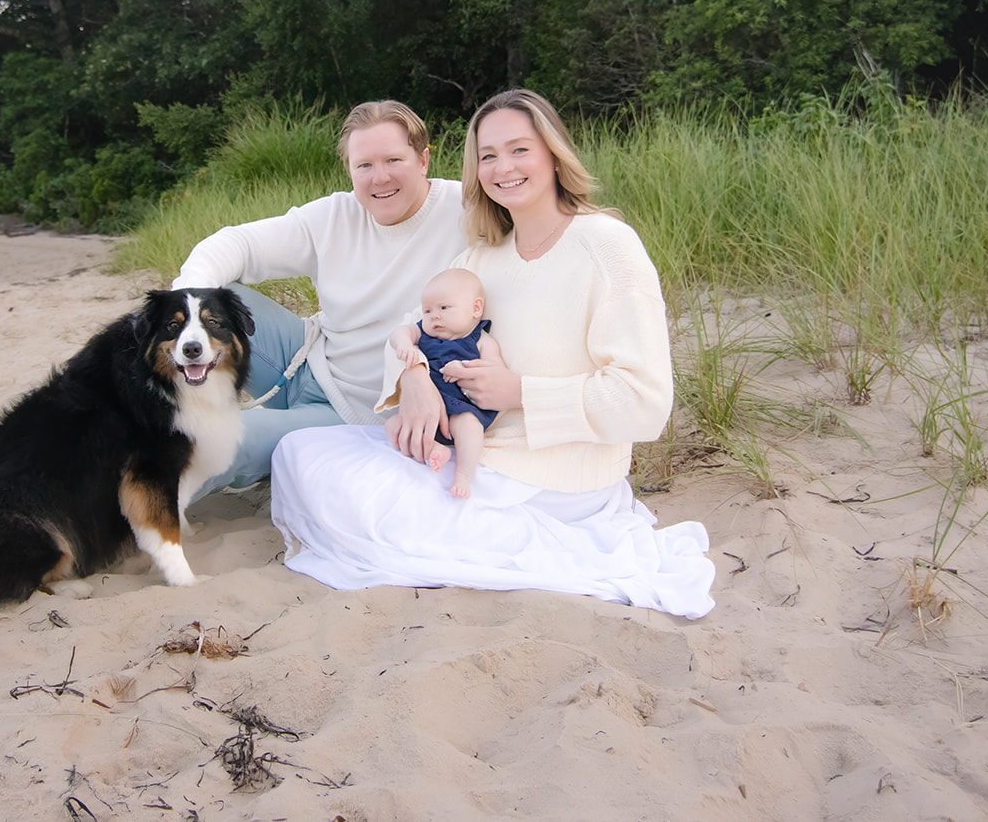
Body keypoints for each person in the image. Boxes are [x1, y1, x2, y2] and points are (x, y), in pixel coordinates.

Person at [271, 90, 716, 618]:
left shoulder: (606, 245)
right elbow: (414, 330)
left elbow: (645, 403)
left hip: (554, 482)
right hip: (476, 455)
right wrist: (412, 375)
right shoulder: (480, 257)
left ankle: (506, 535)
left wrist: (519, 392)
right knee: (299, 453)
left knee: (359, 499)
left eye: (520, 150)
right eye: (488, 155)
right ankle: (459, 521)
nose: (503, 167)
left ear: (553, 152)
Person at [173, 100, 469, 502]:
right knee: (208, 305)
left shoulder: (466, 212)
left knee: (214, 444)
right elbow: (237, 243)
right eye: (364, 165)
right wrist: (188, 310)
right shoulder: (336, 215)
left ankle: (100, 514)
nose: (379, 178)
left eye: (393, 159)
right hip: (300, 359)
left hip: (350, 414)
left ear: (423, 160)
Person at [387, 268, 501, 498]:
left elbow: (495, 372)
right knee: (392, 424)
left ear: (475, 308)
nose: (433, 316)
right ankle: (433, 448)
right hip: (424, 408)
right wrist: (405, 345)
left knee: (470, 427)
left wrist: (465, 369)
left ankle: (463, 476)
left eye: (443, 308)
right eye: (427, 310)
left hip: (461, 406)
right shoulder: (423, 332)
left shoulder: (481, 340)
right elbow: (399, 332)